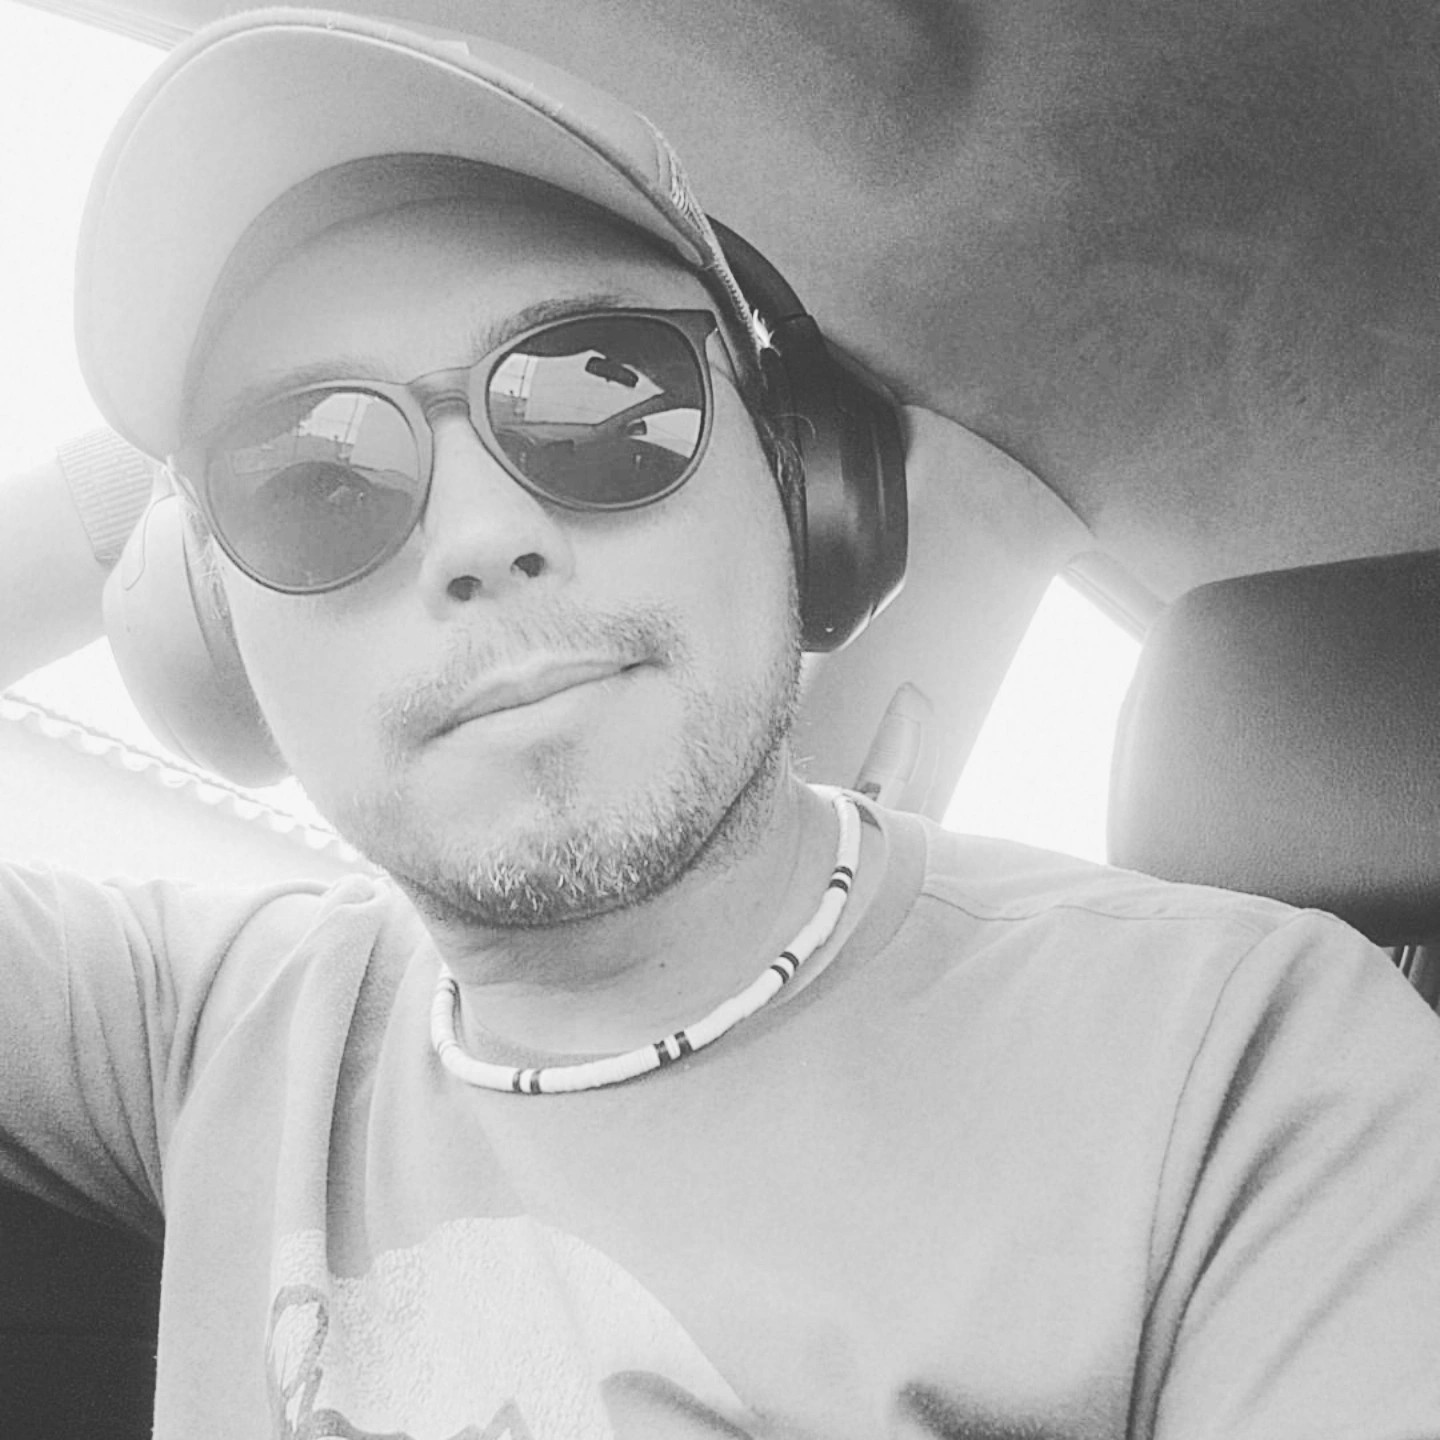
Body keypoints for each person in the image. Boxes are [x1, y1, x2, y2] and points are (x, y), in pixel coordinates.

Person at [3, 10, 1440, 1439]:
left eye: (603, 396)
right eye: (313, 480)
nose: (484, 535)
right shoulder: (202, 1024)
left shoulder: (1241, 1065)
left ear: (799, 479)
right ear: (219, 625)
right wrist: (128, 493)